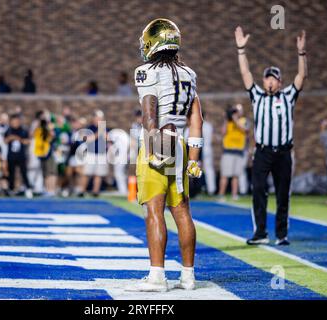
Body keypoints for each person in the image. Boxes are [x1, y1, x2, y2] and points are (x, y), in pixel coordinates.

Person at [127, 18, 203, 292]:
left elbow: (149, 114)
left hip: (158, 141)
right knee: (182, 211)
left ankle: (158, 276)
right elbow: (197, 119)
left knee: (154, 211)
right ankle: (188, 277)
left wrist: (154, 147)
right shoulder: (189, 74)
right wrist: (194, 158)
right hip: (181, 146)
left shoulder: (146, 71)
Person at [235, 26, 307, 246]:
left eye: (273, 78)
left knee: (283, 194)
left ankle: (282, 234)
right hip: (263, 151)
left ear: (279, 81)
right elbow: (246, 74)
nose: (269, 81)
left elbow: (301, 75)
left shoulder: (288, 96)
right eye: (267, 78)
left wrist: (301, 54)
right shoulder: (257, 95)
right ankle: (261, 233)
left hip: (284, 152)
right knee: (258, 190)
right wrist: (241, 50)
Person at [217, 104, 249, 201]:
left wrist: (235, 120)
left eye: (238, 111)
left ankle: (234, 194)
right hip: (228, 151)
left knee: (236, 175)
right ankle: (221, 195)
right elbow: (223, 132)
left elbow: (245, 130)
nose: (236, 113)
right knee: (225, 174)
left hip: (239, 151)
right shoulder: (228, 122)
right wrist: (227, 119)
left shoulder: (244, 121)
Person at [78, 110, 109, 197]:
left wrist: (103, 131)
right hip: (91, 153)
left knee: (99, 174)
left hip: (101, 154)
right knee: (86, 173)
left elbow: (108, 138)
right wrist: (98, 133)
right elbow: (88, 139)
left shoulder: (104, 128)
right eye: (97, 118)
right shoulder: (89, 127)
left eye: (100, 118)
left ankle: (96, 191)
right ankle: (82, 190)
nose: (98, 119)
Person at [4, 114, 33, 198]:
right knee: (11, 173)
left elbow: (28, 141)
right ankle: (11, 189)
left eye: (16, 121)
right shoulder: (8, 131)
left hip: (21, 156)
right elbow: (5, 141)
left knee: (23, 173)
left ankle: (28, 189)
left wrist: (18, 138)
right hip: (11, 156)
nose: (15, 123)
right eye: (13, 121)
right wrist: (10, 138)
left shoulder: (23, 130)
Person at [33, 112, 57, 196]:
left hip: (49, 153)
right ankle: (47, 189)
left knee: (51, 172)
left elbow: (53, 136)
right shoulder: (39, 128)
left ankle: (51, 190)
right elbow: (33, 134)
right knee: (45, 173)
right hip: (41, 153)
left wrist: (48, 127)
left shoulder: (50, 126)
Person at [108, 128, 130, 195]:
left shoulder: (116, 136)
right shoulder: (123, 137)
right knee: (121, 173)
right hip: (123, 156)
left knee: (119, 173)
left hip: (121, 157)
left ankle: (123, 190)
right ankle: (123, 189)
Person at [202, 112, 216, 195]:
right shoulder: (209, 126)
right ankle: (211, 189)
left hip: (199, 148)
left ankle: (194, 188)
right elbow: (212, 138)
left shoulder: (195, 124)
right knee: (209, 170)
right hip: (208, 148)